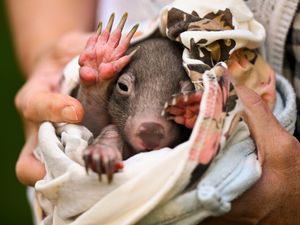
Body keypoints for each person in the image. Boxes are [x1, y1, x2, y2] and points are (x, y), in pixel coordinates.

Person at [6, 0, 300, 224]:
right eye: (121, 88)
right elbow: (92, 122)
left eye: (181, 97)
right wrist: (48, 52)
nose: (149, 124)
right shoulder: (113, 124)